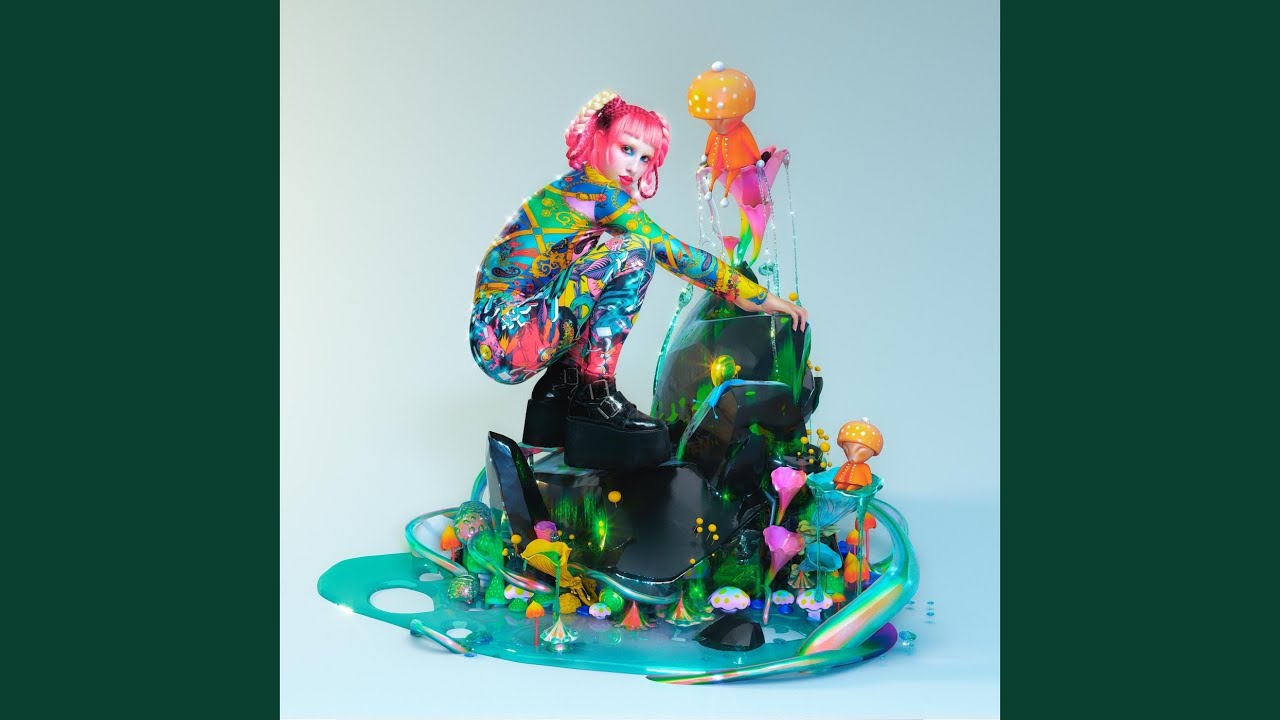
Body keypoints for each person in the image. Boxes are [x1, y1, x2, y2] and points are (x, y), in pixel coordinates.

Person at [469, 91, 807, 470]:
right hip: (508, 336)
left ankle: (561, 387)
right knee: (635, 250)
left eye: (645, 158)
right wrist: (752, 295)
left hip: (503, 330)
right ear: (599, 138)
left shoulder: (577, 187)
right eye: (626, 149)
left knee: (601, 263)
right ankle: (595, 394)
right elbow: (672, 252)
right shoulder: (598, 193)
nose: (634, 166)